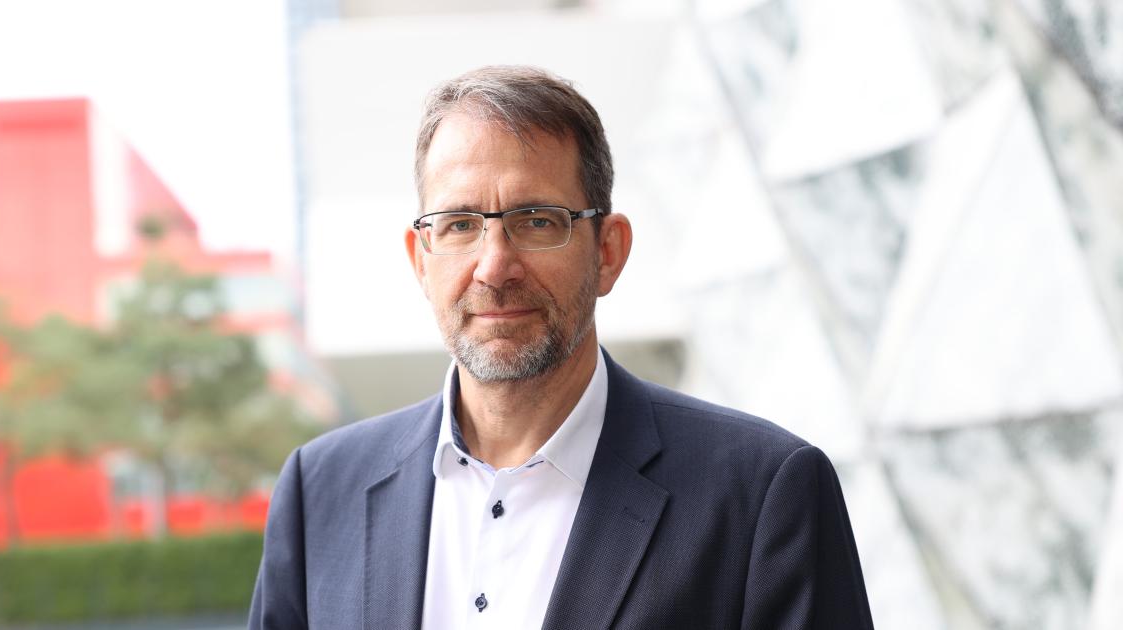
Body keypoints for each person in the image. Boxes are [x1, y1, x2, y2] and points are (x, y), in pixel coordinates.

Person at [249, 65, 874, 630]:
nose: (494, 267)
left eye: (537, 221)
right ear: (422, 259)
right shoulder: (319, 491)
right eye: (460, 224)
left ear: (609, 252)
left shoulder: (761, 494)